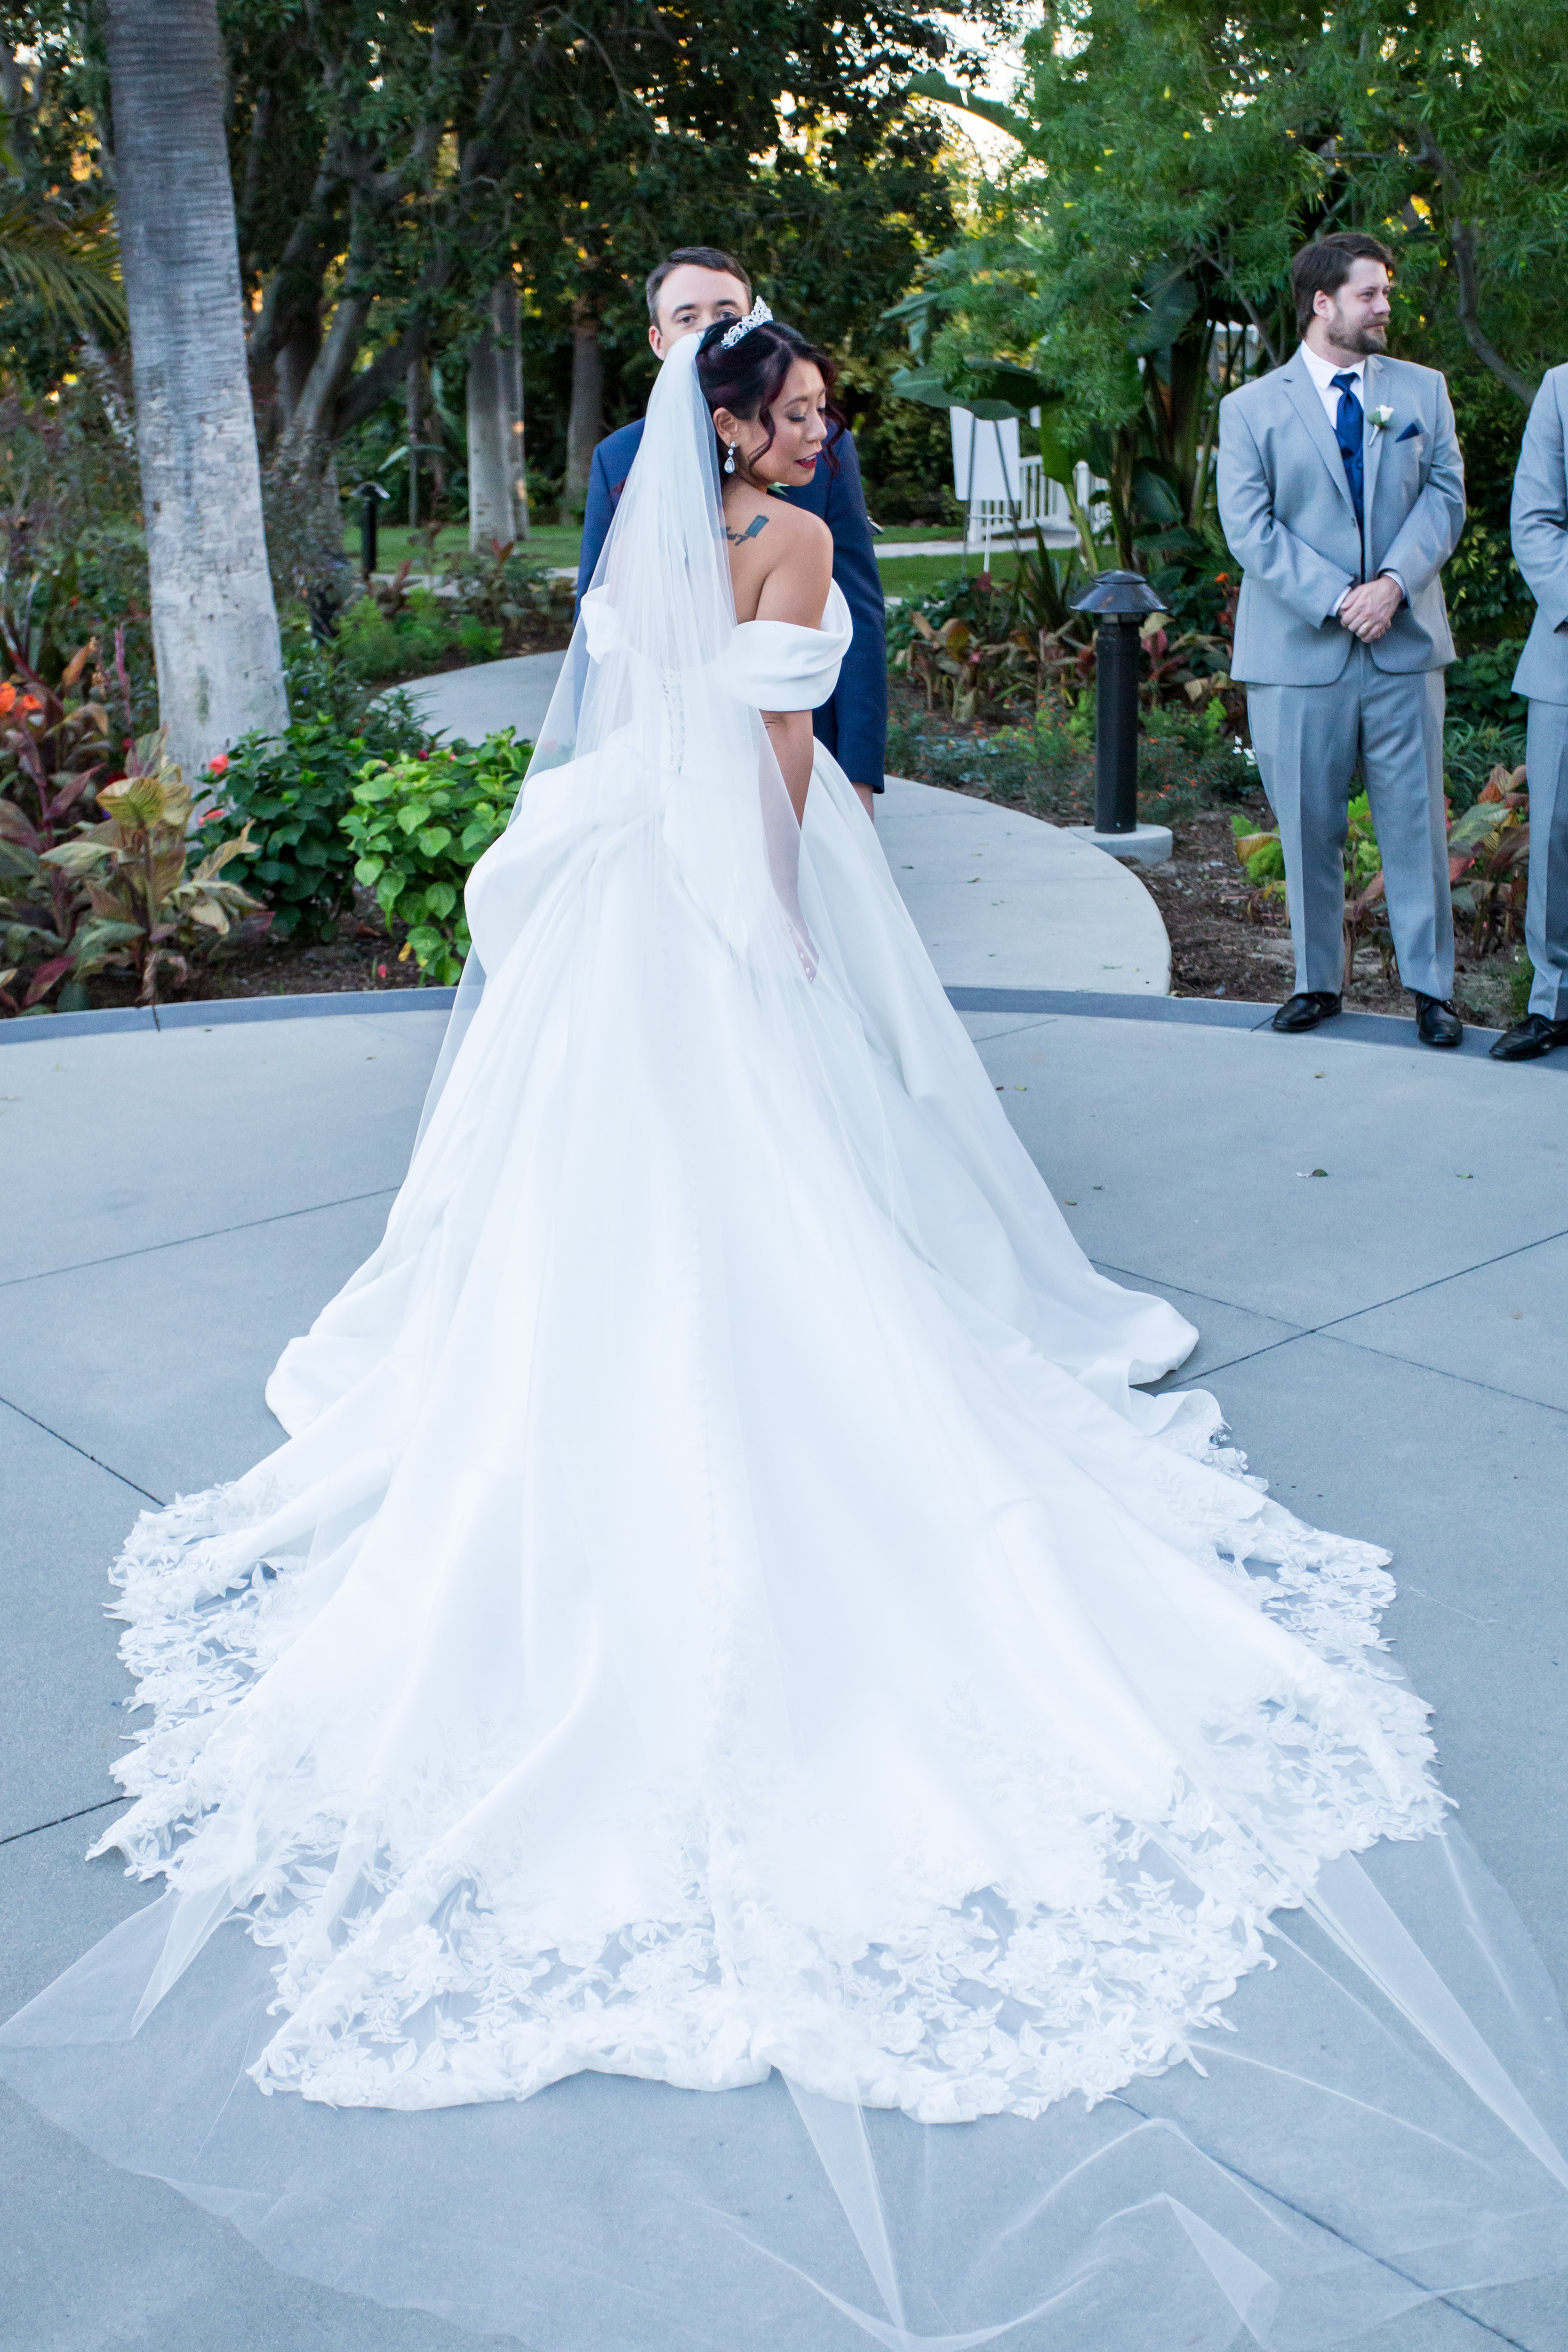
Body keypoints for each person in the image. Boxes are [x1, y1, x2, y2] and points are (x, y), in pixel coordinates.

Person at [6, 315, 1568, 2352]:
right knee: (778, 1202)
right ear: (737, 421)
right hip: (727, 889)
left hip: (617, 907)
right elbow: (768, 771)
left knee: (594, 1214)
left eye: (827, 416)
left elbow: (641, 715)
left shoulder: (671, 522)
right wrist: (787, 937)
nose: (826, 439)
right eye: (802, 414)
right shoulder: (801, 551)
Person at [1217, 232, 1468, 1047]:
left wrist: (1393, 585)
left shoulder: (1423, 391)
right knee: (1307, 822)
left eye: (1385, 292)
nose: (1385, 306)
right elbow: (1249, 530)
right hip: (1297, 653)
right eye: (1369, 294)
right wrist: (1338, 599)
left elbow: (1445, 499)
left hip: (1403, 645)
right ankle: (1316, 982)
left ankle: (1433, 991)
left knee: (1417, 826)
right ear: (1322, 304)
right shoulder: (1250, 407)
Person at [576, 244, 888, 818]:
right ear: (658, 340)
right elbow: (600, 619)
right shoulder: (620, 458)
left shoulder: (822, 444)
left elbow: (860, 607)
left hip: (801, 751)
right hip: (661, 768)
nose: (706, 331)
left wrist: (861, 771)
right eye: (686, 317)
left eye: (724, 314)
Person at [1493, 363, 1568, 1060]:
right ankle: (1554, 1005)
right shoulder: (1562, 389)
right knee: (1554, 838)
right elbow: (1536, 518)